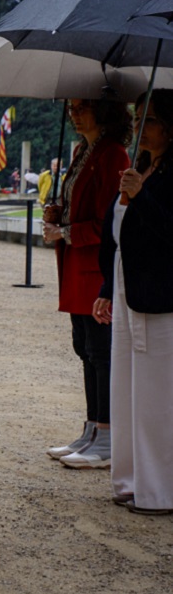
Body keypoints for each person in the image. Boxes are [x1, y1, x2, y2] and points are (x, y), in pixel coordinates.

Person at [94, 90, 173, 514]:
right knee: (126, 387)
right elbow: (117, 233)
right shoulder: (140, 167)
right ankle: (130, 479)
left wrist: (141, 195)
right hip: (127, 287)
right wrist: (108, 286)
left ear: (169, 126)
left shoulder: (163, 175)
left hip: (160, 294)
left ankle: (160, 490)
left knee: (157, 394)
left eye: (149, 118)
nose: (140, 125)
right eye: (137, 117)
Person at [42, 98, 130, 469]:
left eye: (82, 107)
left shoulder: (113, 156)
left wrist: (64, 230)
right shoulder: (82, 150)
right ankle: (93, 427)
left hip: (95, 266)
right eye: (71, 107)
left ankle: (108, 434)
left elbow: (108, 222)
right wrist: (57, 210)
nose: (73, 113)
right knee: (84, 347)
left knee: (100, 351)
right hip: (76, 266)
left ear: (103, 111)